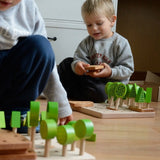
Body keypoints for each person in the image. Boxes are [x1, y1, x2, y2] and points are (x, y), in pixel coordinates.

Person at [0, 0, 73, 132]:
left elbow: (47, 64)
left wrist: (61, 105)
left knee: (41, 46)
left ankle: (15, 114)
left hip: (11, 86)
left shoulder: (29, 7)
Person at [58, 0, 134, 103]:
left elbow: (128, 69)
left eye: (99, 23)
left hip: (109, 87)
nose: (94, 28)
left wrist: (110, 72)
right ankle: (60, 91)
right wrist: (78, 66)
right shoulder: (87, 42)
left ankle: (71, 92)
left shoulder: (121, 43)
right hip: (90, 81)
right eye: (89, 25)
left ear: (112, 20)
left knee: (101, 92)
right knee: (67, 63)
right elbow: (78, 59)